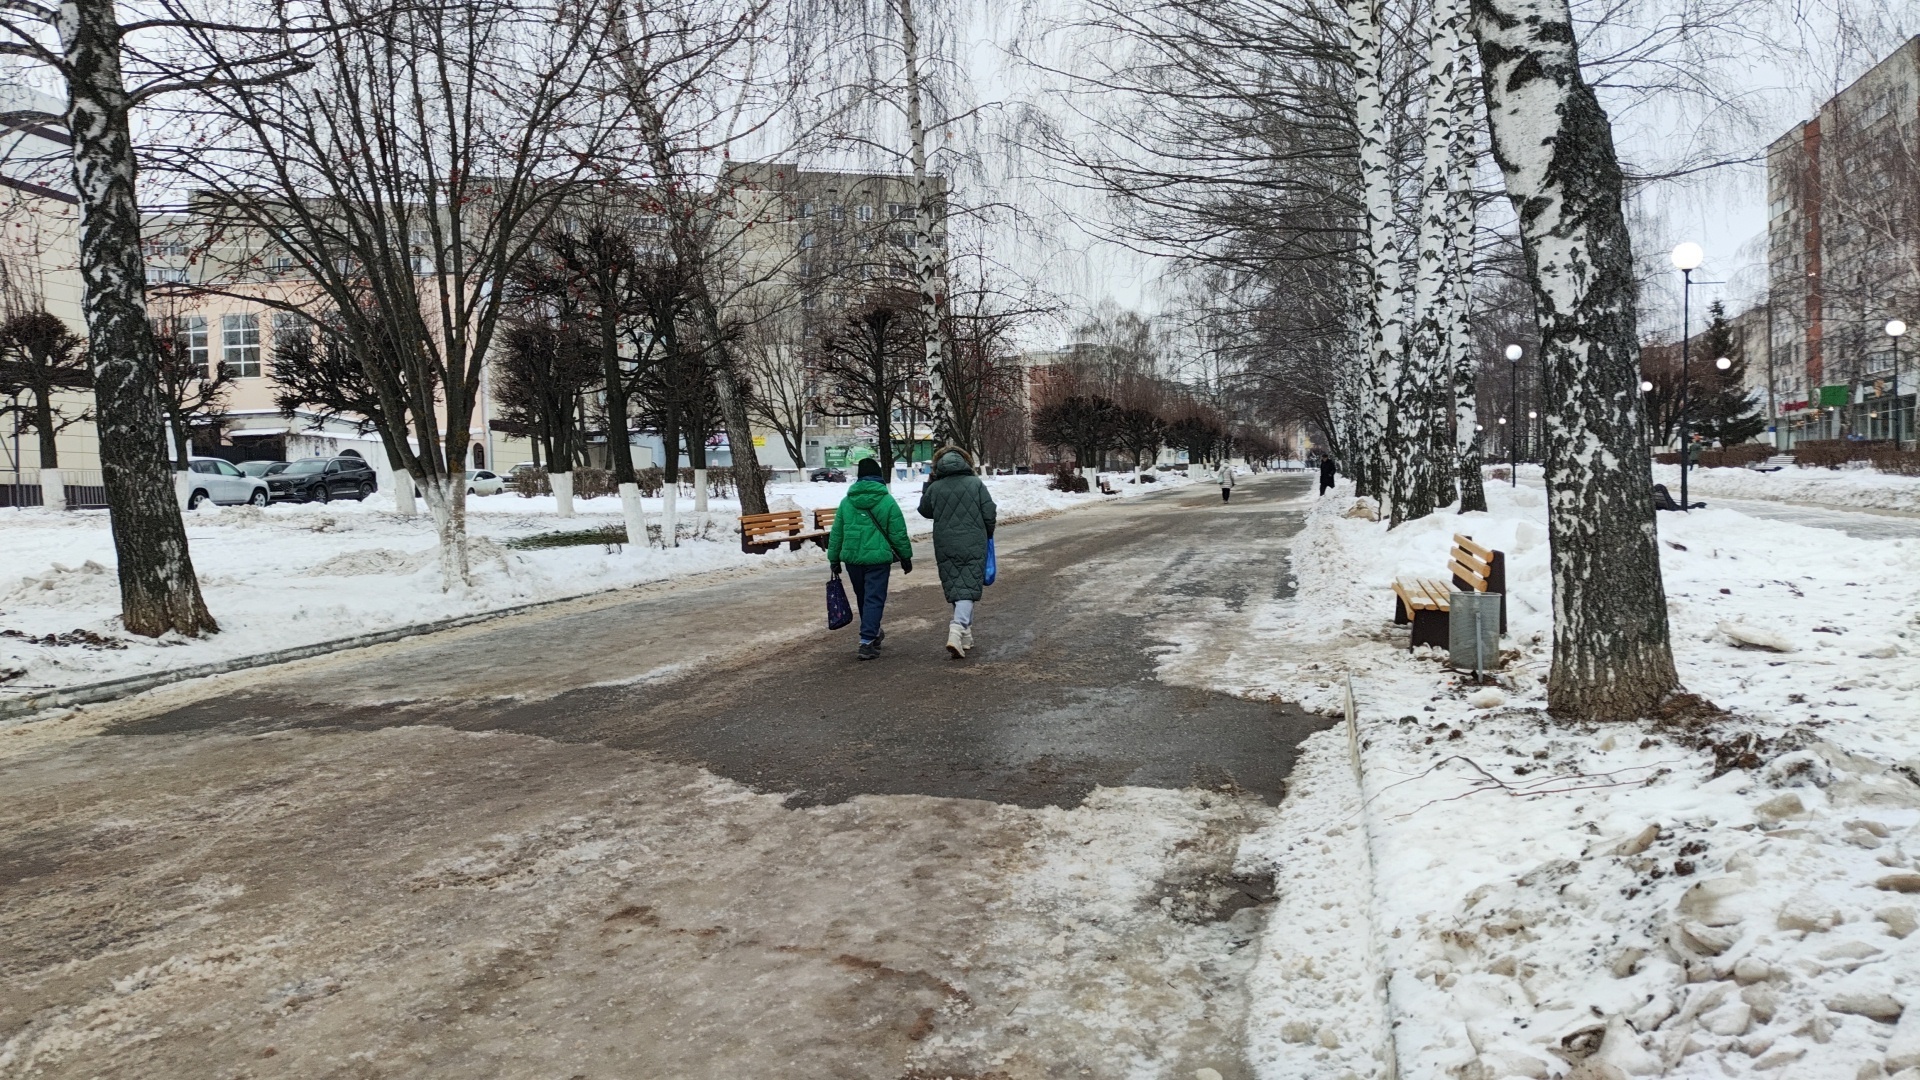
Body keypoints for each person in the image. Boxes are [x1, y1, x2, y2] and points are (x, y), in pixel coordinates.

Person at [827, 457, 912, 660]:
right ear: (879, 477)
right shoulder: (887, 501)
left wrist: (834, 559)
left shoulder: (847, 502)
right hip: (878, 559)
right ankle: (866, 640)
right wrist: (906, 557)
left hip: (853, 560)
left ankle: (872, 633)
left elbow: (837, 533)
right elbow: (898, 532)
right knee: (874, 598)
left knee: (864, 597)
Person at [917, 445, 997, 659]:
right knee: (967, 587)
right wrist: (987, 533)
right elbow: (989, 511)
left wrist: (929, 484)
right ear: (966, 463)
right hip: (973, 540)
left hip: (945, 542)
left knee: (957, 585)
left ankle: (967, 636)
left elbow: (925, 511)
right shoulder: (975, 483)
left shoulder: (936, 487)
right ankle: (957, 628)